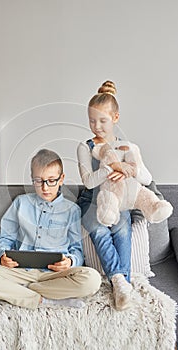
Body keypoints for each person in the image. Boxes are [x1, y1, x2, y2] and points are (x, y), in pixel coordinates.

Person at [0, 149, 101, 310]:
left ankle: (21, 292)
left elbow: (76, 249)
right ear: (32, 179)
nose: (45, 187)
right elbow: (5, 238)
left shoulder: (72, 210)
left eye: (51, 180)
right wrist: (2, 255)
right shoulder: (20, 203)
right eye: (39, 180)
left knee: (92, 279)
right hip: (19, 272)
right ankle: (44, 300)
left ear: (61, 179)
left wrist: (70, 261)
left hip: (54, 276)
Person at [77, 81, 152, 311]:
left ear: (115, 118)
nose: (96, 126)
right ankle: (120, 282)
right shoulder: (85, 146)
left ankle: (123, 284)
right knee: (99, 230)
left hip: (118, 201)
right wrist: (111, 169)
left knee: (121, 228)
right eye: (92, 120)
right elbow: (89, 181)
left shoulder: (126, 146)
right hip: (91, 202)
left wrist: (129, 170)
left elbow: (146, 178)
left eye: (102, 120)